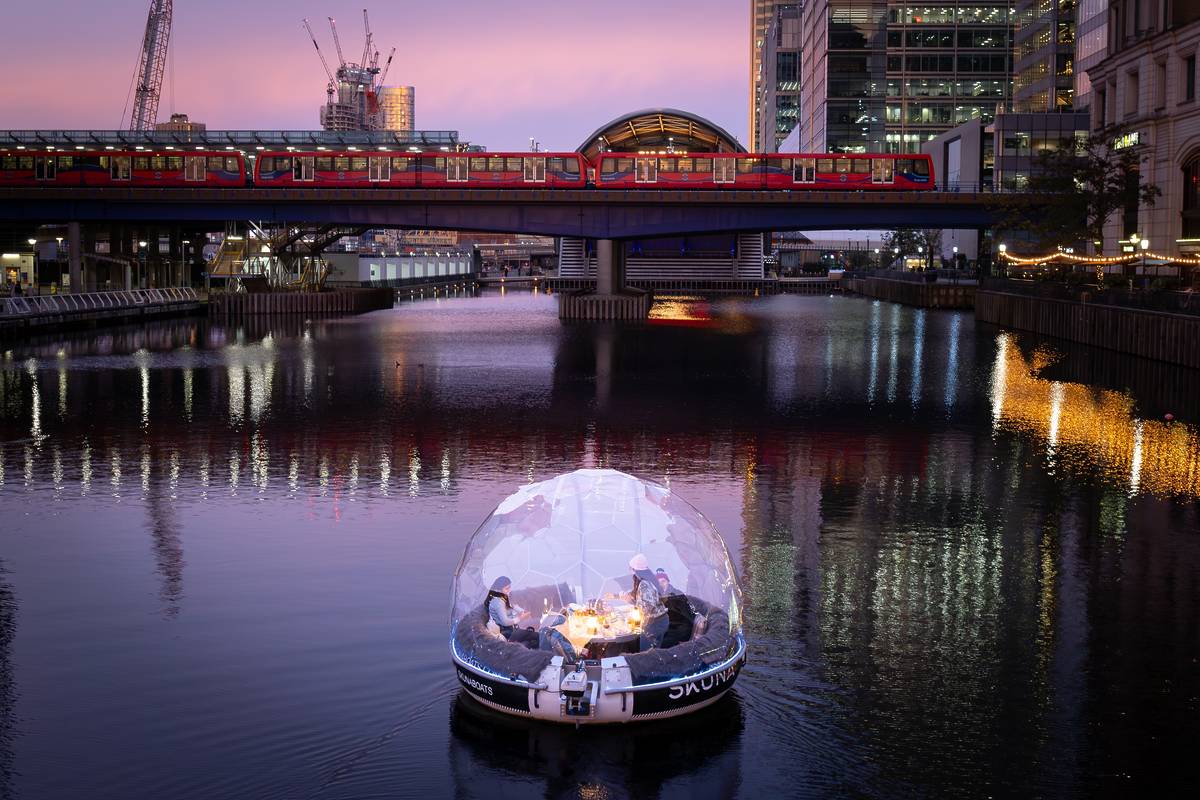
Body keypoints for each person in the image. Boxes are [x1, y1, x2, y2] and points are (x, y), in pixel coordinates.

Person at [627, 554, 668, 651]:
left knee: (646, 655)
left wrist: (635, 608)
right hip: (661, 620)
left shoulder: (644, 583)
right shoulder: (651, 579)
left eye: (631, 569)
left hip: (653, 624)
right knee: (654, 653)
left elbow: (648, 606)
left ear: (635, 570)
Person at [486, 576, 538, 648]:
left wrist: (522, 611)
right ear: (499, 589)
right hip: (508, 633)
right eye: (507, 588)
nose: (509, 590)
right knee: (537, 636)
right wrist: (520, 618)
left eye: (510, 587)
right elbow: (505, 622)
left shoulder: (503, 597)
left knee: (531, 642)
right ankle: (553, 657)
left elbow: (512, 606)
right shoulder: (498, 602)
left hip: (512, 629)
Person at [655, 568, 696, 648]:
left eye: (663, 581)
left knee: (658, 643)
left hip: (682, 628)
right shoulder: (659, 595)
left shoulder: (676, 595)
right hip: (671, 627)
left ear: (668, 581)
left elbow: (683, 617)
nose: (661, 584)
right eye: (658, 583)